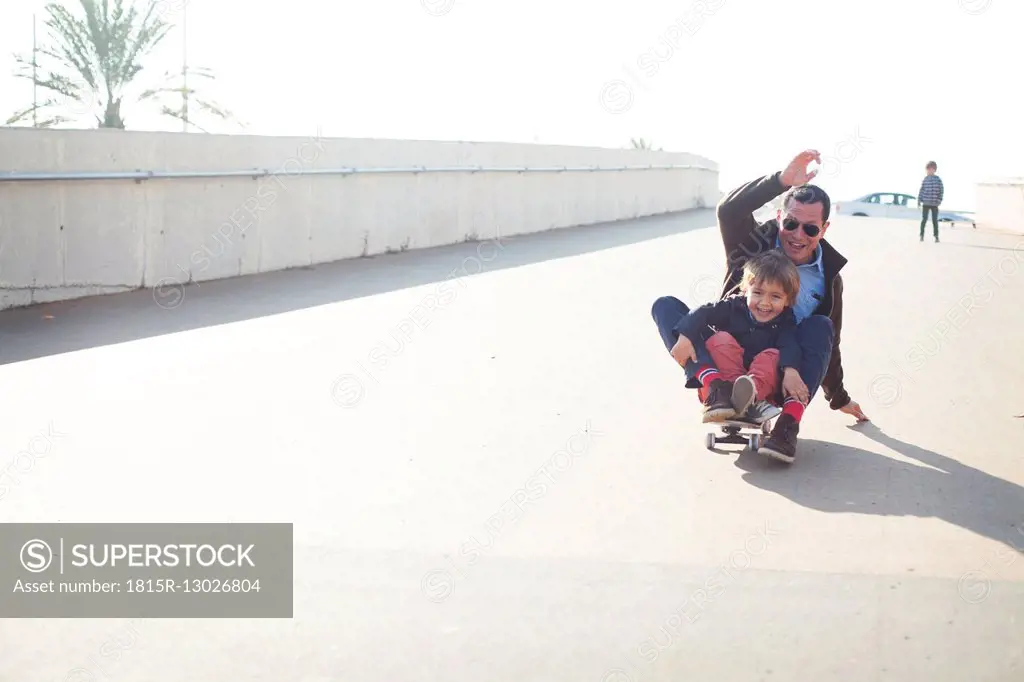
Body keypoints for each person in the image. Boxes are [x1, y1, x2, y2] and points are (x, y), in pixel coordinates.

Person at [651, 149, 869, 464]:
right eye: (791, 223)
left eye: (810, 229)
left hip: (782, 367)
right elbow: (728, 210)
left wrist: (839, 397)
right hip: (725, 354)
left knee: (821, 326)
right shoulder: (751, 243)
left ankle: (786, 427)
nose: (797, 235)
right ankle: (717, 390)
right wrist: (780, 181)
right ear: (780, 216)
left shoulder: (829, 279)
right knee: (666, 307)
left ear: (823, 229)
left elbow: (828, 345)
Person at [664, 251, 806, 427]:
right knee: (720, 339)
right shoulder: (733, 306)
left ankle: (749, 396)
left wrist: (791, 370)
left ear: (787, 300)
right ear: (745, 290)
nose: (765, 302)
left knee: (774, 356)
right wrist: (686, 334)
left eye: (775, 296)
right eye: (758, 293)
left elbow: (790, 345)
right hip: (721, 384)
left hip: (759, 389)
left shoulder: (786, 320)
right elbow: (704, 312)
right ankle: (723, 390)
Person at [918, 161, 944, 243]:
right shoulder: (925, 180)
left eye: (931, 169)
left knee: (934, 220)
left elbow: (941, 190)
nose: (929, 171)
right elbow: (921, 190)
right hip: (926, 203)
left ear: (934, 170)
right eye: (928, 169)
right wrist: (919, 200)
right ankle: (921, 235)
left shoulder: (938, 180)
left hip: (934, 203)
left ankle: (936, 236)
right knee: (924, 219)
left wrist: (939, 200)